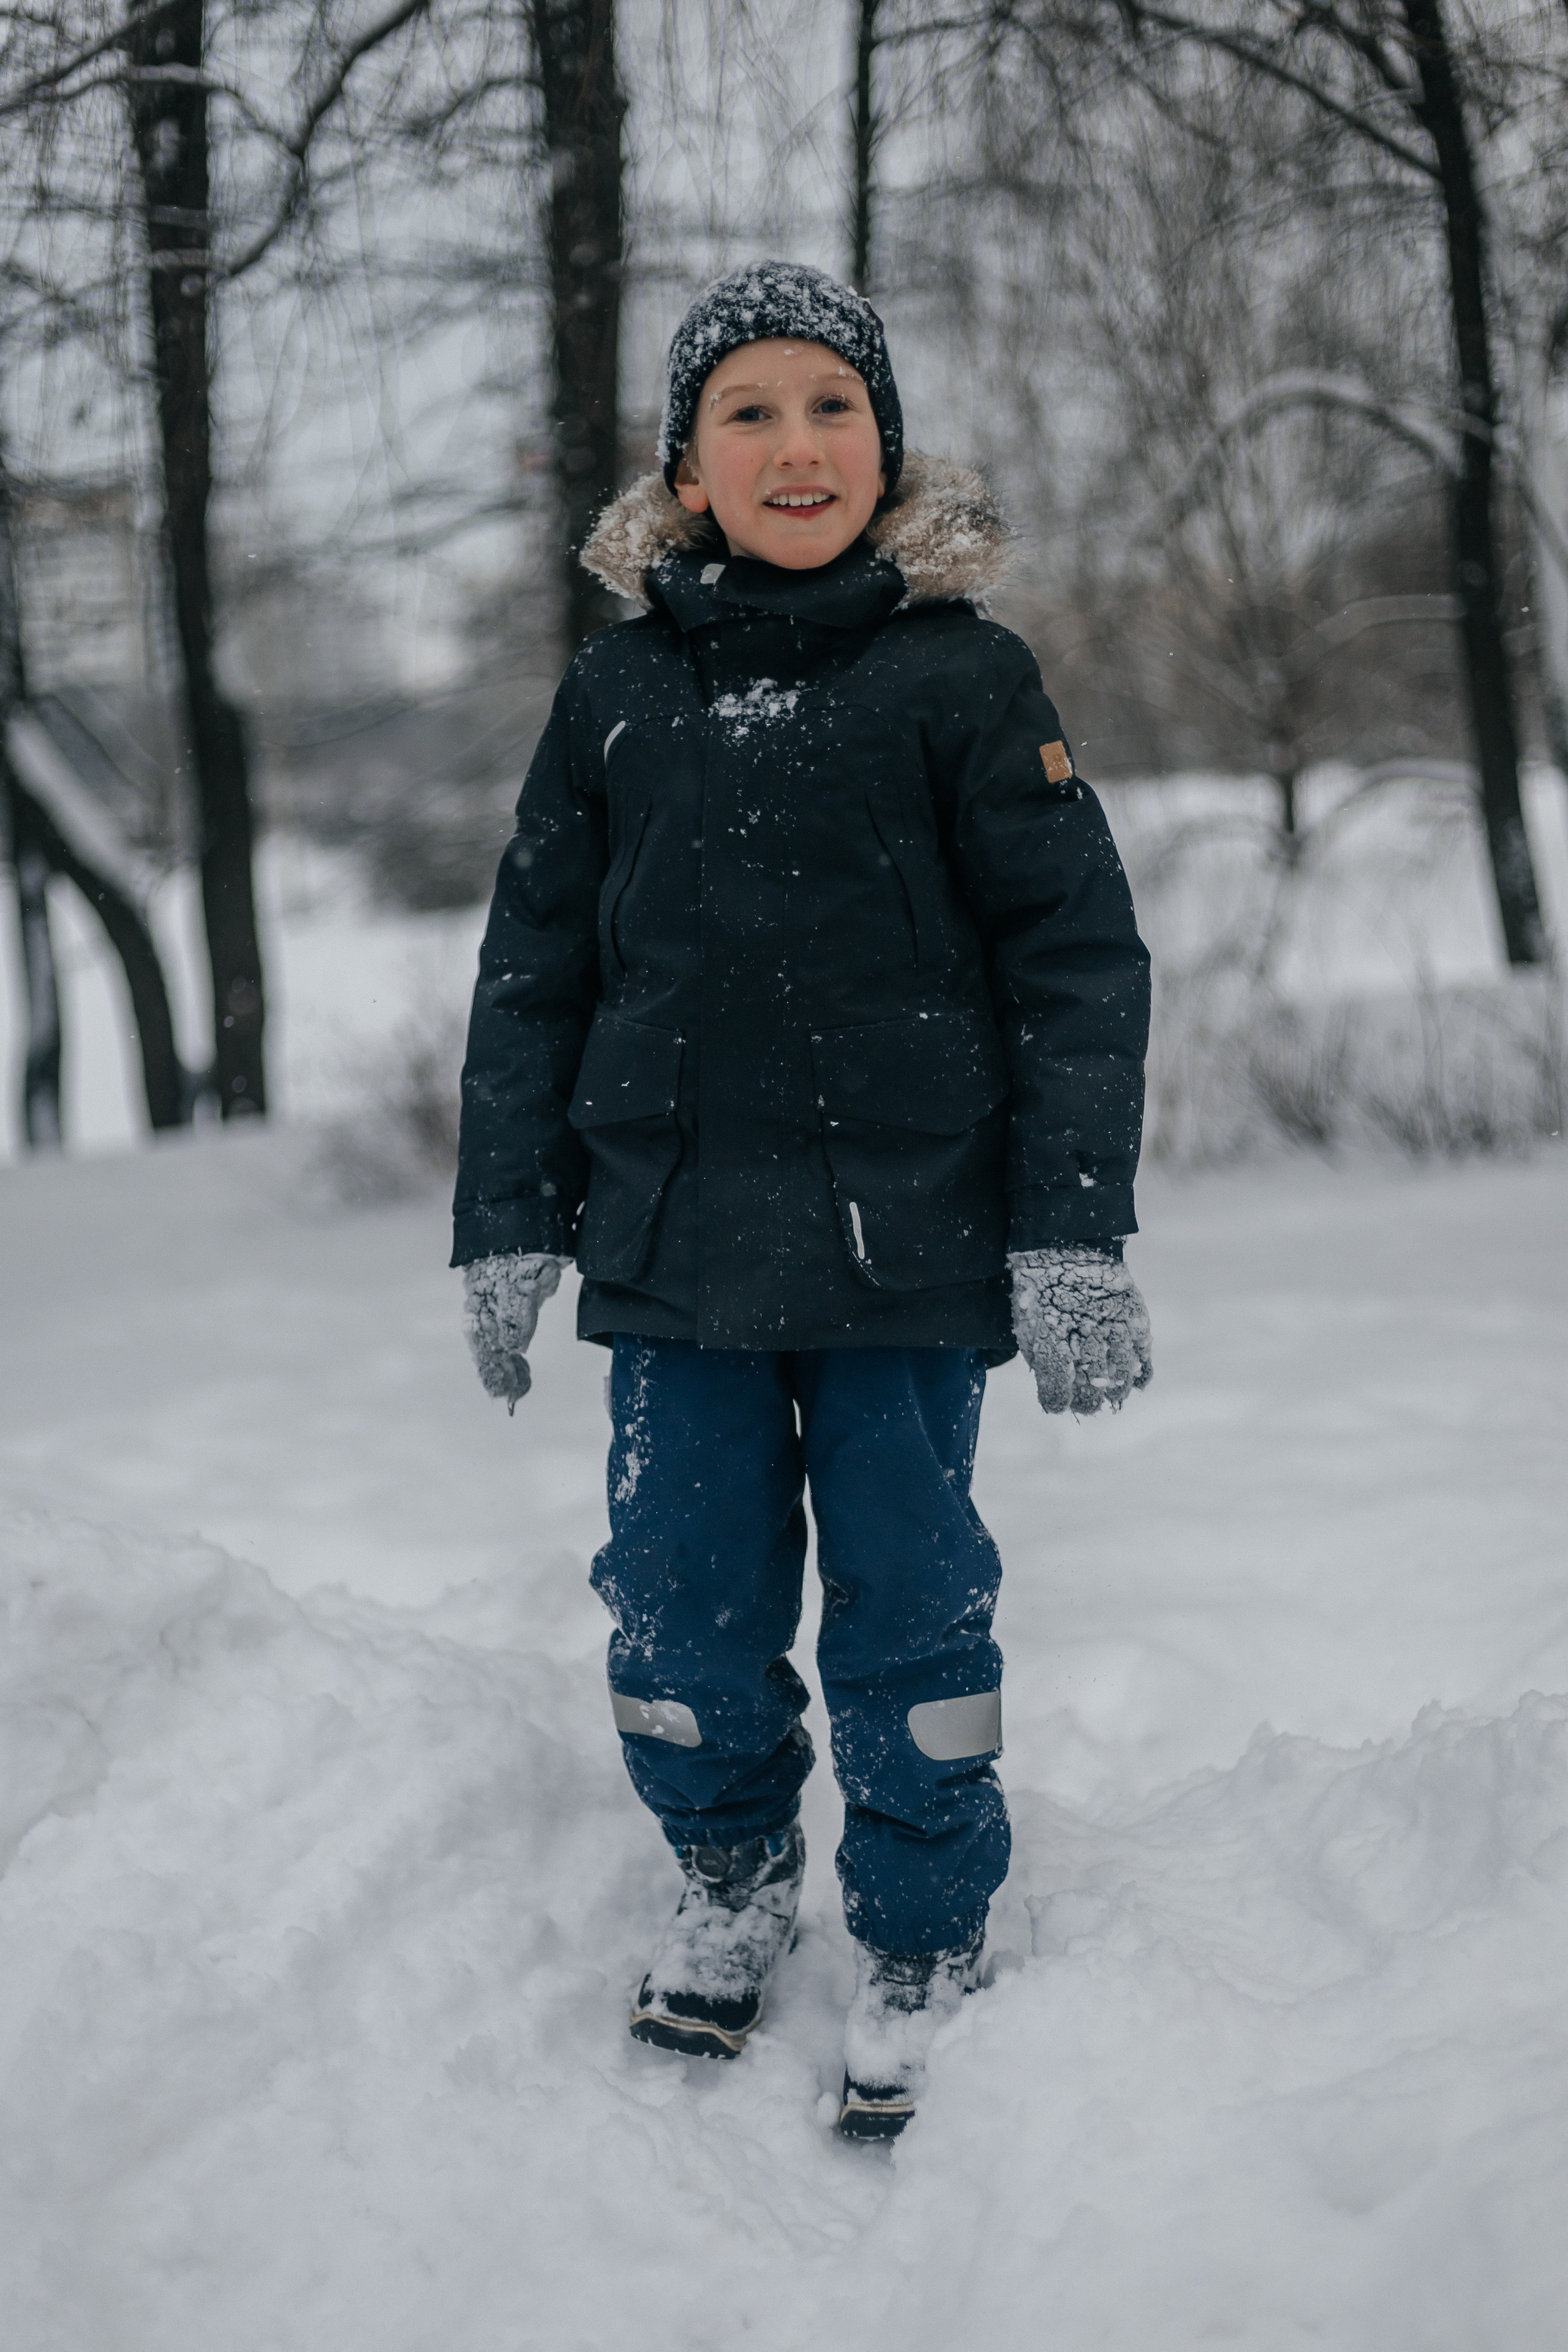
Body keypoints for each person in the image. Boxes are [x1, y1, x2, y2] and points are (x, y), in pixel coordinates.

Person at [453, 261, 1152, 2140]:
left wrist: (1072, 1226)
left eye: (832, 406)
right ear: (684, 472)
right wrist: (507, 1214)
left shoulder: (965, 675)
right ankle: (733, 1870)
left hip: (907, 1251)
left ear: (887, 445)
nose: (795, 444)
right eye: (747, 412)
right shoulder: (612, 692)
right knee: (676, 1600)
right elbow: (533, 969)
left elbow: (1076, 958)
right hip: (671, 1250)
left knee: (916, 1608)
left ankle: (922, 1929)